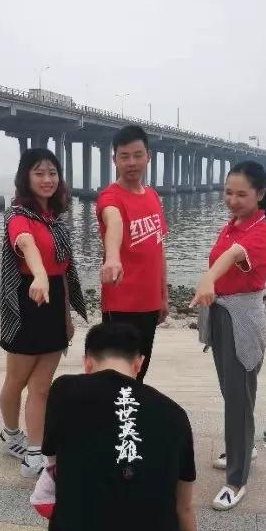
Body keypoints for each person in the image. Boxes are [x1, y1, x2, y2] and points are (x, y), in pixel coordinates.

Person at [36, 322, 200, 531]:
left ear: (87, 363)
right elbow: (184, 507)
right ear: (139, 364)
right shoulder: (175, 415)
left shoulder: (63, 391)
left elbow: (53, 464)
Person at [190, 161, 266, 511]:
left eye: (242, 194)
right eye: (228, 192)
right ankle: (244, 446)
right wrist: (211, 284)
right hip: (220, 314)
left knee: (239, 396)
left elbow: (233, 255)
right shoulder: (233, 224)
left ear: (261, 194)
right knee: (232, 391)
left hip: (241, 319)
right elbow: (226, 254)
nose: (233, 200)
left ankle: (236, 480)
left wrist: (207, 279)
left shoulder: (262, 231)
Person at [0, 148, 87, 478]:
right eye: (39, 172)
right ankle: (11, 436)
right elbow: (26, 244)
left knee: (41, 387)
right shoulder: (17, 215)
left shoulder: (56, 221)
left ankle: (34, 452)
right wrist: (38, 275)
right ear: (26, 177)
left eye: (52, 173)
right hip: (25, 304)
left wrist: (66, 318)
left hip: (53, 304)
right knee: (16, 380)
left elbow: (61, 273)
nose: (47, 179)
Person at [96, 125, 168, 382]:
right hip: (120, 305)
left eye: (137, 155)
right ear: (114, 159)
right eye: (124, 156)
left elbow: (159, 248)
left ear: (148, 156)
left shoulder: (153, 196)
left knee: (138, 372)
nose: (131, 163)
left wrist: (163, 295)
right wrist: (113, 258)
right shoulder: (110, 197)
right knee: (116, 377)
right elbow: (113, 222)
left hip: (150, 304)